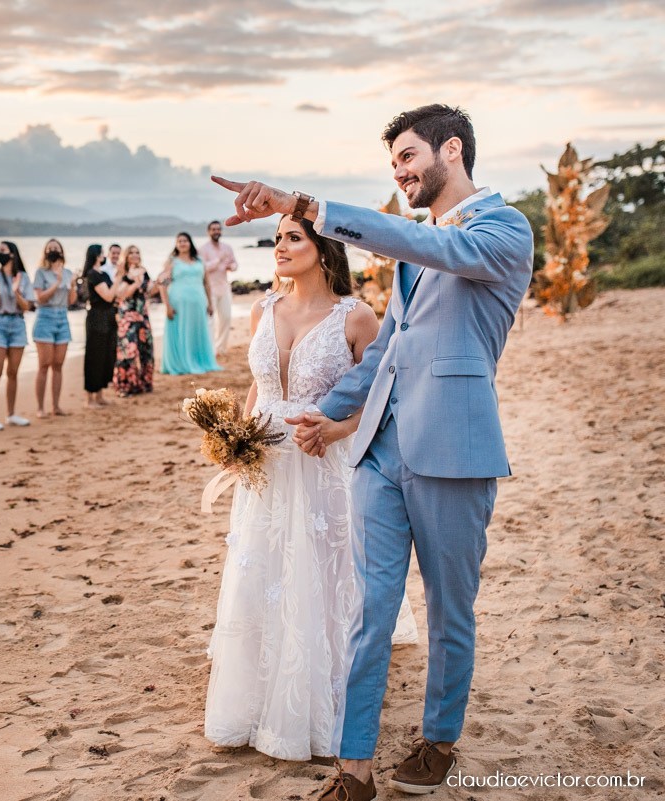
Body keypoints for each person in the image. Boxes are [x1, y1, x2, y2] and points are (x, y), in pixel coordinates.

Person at [213, 103, 534, 800]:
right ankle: (353, 769)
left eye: (409, 156)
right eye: (393, 162)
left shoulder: (503, 230)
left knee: (451, 608)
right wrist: (316, 415)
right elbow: (387, 349)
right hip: (379, 451)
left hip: (455, 449)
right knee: (368, 611)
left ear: (452, 151)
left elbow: (432, 248)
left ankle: (439, 741)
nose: (400, 171)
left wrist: (303, 204)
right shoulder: (416, 249)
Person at [204, 214, 419, 762]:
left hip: (323, 465)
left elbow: (382, 395)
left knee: (321, 575)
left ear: (323, 248)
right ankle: (256, 701)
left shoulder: (356, 316)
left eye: (292, 237)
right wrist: (238, 438)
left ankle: (322, 700)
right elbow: (260, 385)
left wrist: (338, 428)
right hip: (266, 469)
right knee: (263, 573)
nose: (279, 246)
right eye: (276, 238)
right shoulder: (262, 309)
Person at [0, 240, 36, 432]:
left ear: (12, 254)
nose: (0, 253)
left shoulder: (23, 278)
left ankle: (11, 414)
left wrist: (16, 293)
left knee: (13, 373)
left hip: (18, 324)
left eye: (3, 250)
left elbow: (27, 307)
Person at [159, 232, 221, 375]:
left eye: (185, 241)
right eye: (179, 241)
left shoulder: (199, 261)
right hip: (178, 303)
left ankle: (199, 361)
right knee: (181, 332)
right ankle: (181, 363)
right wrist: (167, 305)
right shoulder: (172, 262)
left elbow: (206, 283)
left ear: (190, 243)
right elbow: (162, 283)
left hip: (198, 302)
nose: (182, 243)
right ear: (176, 244)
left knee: (197, 332)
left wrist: (210, 303)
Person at [31, 240, 77, 418]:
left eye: (56, 248)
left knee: (58, 365)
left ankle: (56, 406)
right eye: (50, 249)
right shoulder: (41, 273)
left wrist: (72, 285)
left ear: (61, 251)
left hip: (62, 318)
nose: (53, 251)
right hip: (45, 318)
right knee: (44, 365)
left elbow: (71, 301)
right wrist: (57, 282)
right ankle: (40, 407)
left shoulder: (67, 272)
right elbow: (40, 298)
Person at [112, 245, 154, 396]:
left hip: (142, 315)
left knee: (146, 349)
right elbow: (122, 294)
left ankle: (145, 383)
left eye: (137, 252)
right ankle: (126, 385)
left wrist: (165, 278)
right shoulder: (122, 273)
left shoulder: (143, 271)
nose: (135, 255)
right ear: (126, 255)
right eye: (131, 252)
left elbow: (151, 290)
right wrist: (136, 283)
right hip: (127, 316)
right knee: (128, 350)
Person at [81, 243, 118, 408]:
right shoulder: (93, 275)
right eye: (102, 253)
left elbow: (115, 296)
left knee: (106, 356)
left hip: (109, 318)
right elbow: (109, 296)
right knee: (94, 357)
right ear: (97, 255)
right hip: (96, 319)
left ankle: (100, 394)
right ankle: (90, 398)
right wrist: (120, 277)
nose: (104, 256)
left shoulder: (103, 274)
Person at [198, 221, 239, 357]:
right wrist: (218, 261)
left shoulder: (227, 247)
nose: (216, 231)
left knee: (226, 318)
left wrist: (231, 266)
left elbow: (234, 264)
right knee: (210, 321)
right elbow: (202, 269)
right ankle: (210, 349)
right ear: (208, 232)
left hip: (224, 287)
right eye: (213, 229)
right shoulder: (202, 249)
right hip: (209, 290)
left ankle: (220, 348)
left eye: (218, 229)